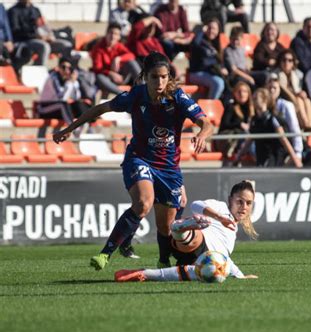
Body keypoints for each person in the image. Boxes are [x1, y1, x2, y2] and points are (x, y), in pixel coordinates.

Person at [52, 52, 214, 270]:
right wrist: (69, 129)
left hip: (168, 168)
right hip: (139, 159)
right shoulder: (135, 96)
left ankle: (163, 261)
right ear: (146, 76)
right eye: (155, 77)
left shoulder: (177, 97)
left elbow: (205, 122)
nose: (160, 82)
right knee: (143, 203)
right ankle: (104, 254)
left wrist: (202, 134)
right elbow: (101, 108)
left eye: (164, 77)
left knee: (165, 227)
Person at [115, 180, 258, 282]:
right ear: (230, 200)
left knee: (209, 273)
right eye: (240, 201)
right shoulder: (221, 207)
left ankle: (145, 273)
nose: (244, 206)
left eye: (248, 203)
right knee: (198, 241)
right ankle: (182, 228)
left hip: (195, 256)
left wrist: (240, 275)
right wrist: (219, 217)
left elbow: (226, 259)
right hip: (199, 242)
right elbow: (196, 205)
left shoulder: (233, 231)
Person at [236, 88, 302, 168]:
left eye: (256, 98)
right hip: (261, 156)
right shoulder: (254, 120)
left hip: (273, 156)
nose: (253, 100)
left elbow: (283, 139)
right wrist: (238, 158)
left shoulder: (272, 118)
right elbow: (249, 139)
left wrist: (295, 158)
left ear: (265, 100)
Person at [8, 0, 72, 66]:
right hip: (25, 41)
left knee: (66, 45)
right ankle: (39, 72)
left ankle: (63, 71)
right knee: (44, 47)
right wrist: (37, 36)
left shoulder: (35, 10)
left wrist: (49, 35)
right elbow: (16, 31)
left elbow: (42, 26)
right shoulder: (13, 11)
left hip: (42, 38)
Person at [38, 56, 93, 128]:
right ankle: (72, 128)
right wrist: (70, 83)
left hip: (57, 108)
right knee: (63, 105)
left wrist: (74, 83)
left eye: (69, 68)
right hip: (45, 109)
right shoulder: (53, 78)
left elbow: (76, 97)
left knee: (80, 105)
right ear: (59, 68)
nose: (66, 70)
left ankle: (88, 126)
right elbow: (61, 98)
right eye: (63, 67)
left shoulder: (68, 79)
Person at [90, 23, 142, 96]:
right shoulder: (98, 48)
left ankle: (143, 88)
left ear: (119, 37)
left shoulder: (119, 45)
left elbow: (131, 55)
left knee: (131, 62)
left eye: (116, 34)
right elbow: (97, 68)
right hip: (107, 78)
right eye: (111, 33)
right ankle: (122, 94)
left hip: (120, 77)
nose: (113, 36)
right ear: (106, 34)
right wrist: (110, 73)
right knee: (99, 77)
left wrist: (118, 58)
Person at [266, 74, 304, 163]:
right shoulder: (263, 107)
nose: (272, 90)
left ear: (279, 89)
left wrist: (298, 153)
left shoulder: (287, 105)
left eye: (274, 88)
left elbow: (294, 128)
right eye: (269, 87)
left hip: (285, 148)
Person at [188, 18, 227, 100]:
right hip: (196, 73)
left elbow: (219, 61)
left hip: (211, 73)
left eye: (214, 29)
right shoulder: (200, 40)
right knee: (218, 83)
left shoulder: (216, 45)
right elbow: (194, 45)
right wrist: (201, 31)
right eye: (209, 28)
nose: (211, 31)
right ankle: (210, 107)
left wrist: (222, 68)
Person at [276, 49, 311, 130]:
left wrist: (301, 93)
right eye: (284, 60)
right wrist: (294, 96)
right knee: (299, 100)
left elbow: (297, 90)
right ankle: (305, 124)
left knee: (307, 100)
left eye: (290, 60)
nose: (287, 63)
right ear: (280, 61)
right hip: (282, 101)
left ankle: (309, 125)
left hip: (296, 99)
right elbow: (283, 91)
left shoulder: (298, 75)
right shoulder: (276, 75)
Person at [216, 81, 255, 160]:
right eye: (239, 91)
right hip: (228, 138)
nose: (242, 94)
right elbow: (225, 124)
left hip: (243, 138)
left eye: (244, 91)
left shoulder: (251, 109)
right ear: (234, 93)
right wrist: (240, 124)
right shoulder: (231, 106)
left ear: (248, 94)